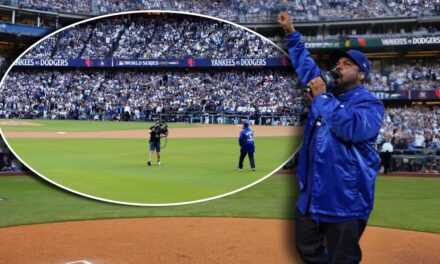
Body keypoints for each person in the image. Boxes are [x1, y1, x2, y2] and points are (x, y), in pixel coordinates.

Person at [278, 11, 384, 264]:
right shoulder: (326, 95)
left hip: (346, 198)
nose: (339, 66)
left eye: (347, 64)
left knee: (343, 258)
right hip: (312, 195)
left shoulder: (370, 104)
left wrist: (323, 98)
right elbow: (306, 66)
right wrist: (290, 33)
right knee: (307, 249)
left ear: (362, 75)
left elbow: (350, 129)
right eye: (337, 63)